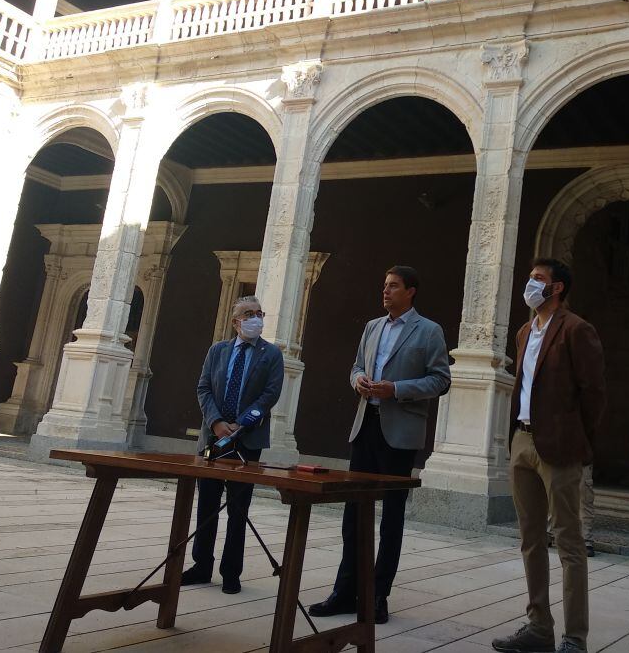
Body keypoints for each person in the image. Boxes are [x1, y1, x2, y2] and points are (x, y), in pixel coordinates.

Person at [309, 265, 450, 625]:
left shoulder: (429, 331)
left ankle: (377, 595)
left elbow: (440, 380)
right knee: (353, 513)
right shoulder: (372, 327)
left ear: (411, 291)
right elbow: (356, 366)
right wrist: (358, 381)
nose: (385, 292)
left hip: (400, 433)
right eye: (384, 286)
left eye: (393, 286)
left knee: (391, 518)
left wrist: (397, 390)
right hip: (365, 426)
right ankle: (344, 592)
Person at [492, 258, 606, 653]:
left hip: (560, 446)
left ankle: (575, 637)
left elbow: (594, 394)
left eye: (538, 279)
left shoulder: (577, 329)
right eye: (530, 278)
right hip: (522, 441)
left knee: (569, 542)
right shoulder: (525, 331)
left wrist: (579, 441)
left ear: (557, 288)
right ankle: (538, 626)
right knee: (530, 539)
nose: (530, 284)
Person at [181, 295, 284, 594]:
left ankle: (231, 572)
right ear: (235, 321)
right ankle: (201, 565)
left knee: (238, 509)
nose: (255, 318)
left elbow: (270, 394)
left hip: (246, 440)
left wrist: (243, 422)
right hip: (213, 437)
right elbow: (203, 387)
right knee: (207, 505)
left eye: (259, 313)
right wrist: (215, 422)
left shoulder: (271, 354)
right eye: (248, 314)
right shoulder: (218, 350)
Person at [547, 464, 596, 557]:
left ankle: (586, 540)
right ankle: (548, 533)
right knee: (555, 493)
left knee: (585, 497)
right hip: (558, 457)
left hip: (582, 458)